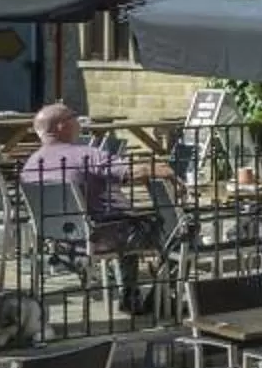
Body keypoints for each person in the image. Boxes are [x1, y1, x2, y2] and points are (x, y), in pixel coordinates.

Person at [19, 102, 162, 310]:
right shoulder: (86, 155)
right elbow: (131, 172)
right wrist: (165, 170)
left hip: (59, 241)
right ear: (61, 126)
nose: (80, 122)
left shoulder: (30, 166)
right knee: (176, 230)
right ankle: (160, 298)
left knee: (130, 221)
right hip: (100, 235)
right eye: (74, 117)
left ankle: (132, 296)